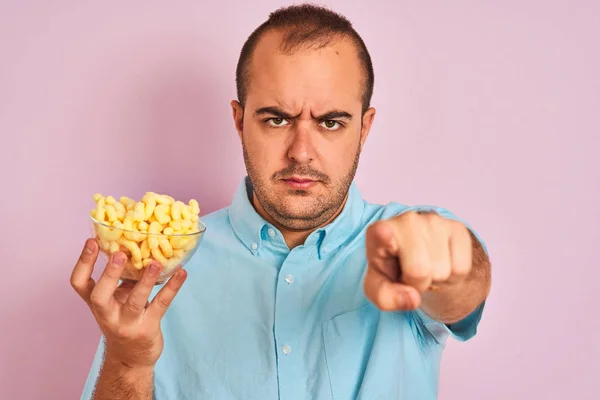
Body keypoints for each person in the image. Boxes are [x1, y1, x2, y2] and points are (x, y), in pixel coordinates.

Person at [72, 4, 491, 400]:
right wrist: (128, 363)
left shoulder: (407, 238)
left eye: (330, 122)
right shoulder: (161, 268)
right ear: (239, 121)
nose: (301, 152)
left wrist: (444, 268)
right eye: (277, 119)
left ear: (364, 128)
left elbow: (461, 288)